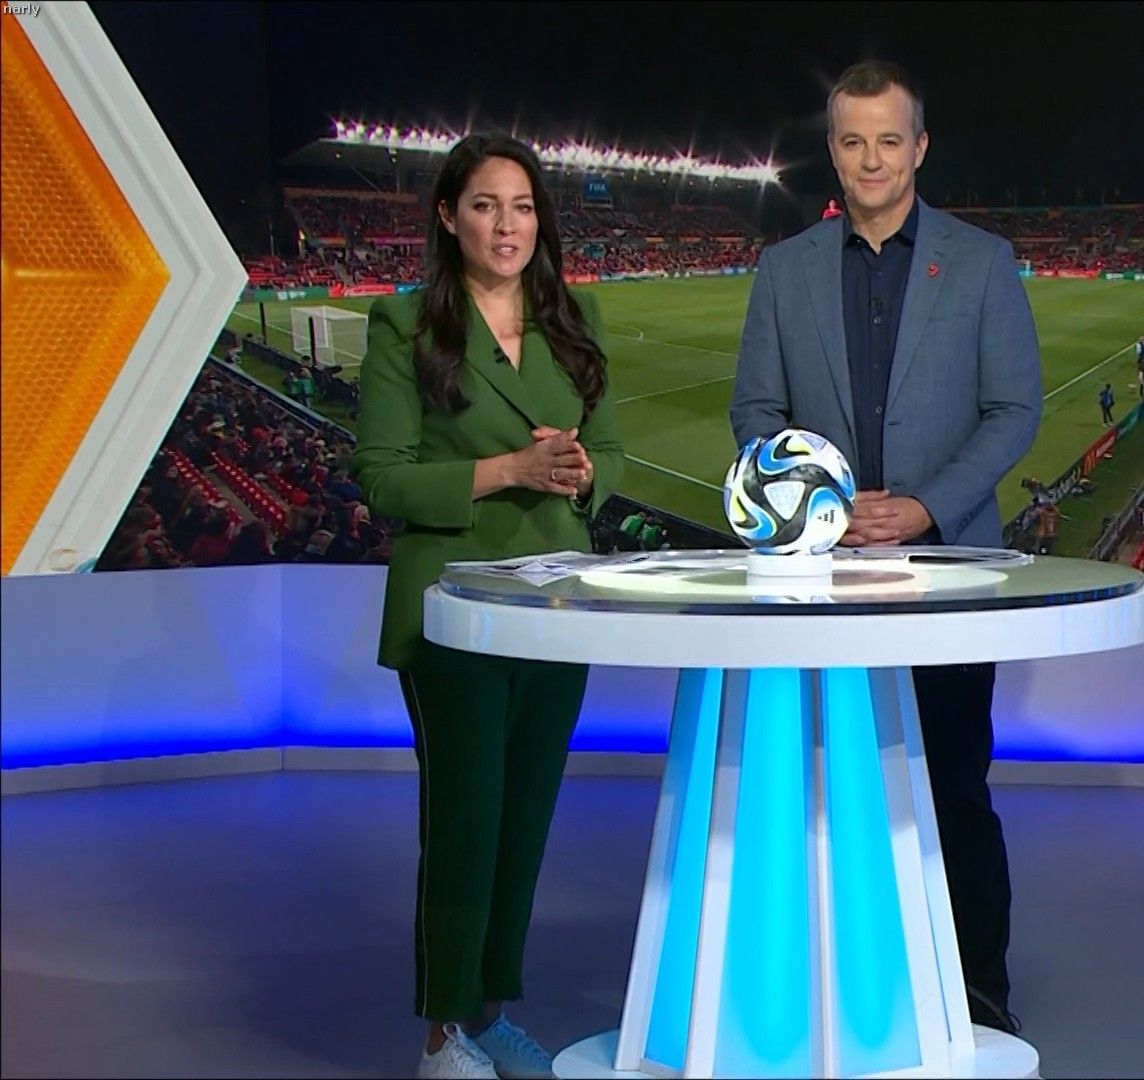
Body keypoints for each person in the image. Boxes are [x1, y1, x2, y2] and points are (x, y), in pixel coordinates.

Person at [729, 59, 1040, 1038]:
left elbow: (1013, 411)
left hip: (947, 572)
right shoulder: (784, 269)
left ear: (920, 147)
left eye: (890, 140)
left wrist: (920, 509)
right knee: (828, 786)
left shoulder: (981, 261)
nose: (873, 159)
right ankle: (838, 988)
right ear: (833, 151)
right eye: (854, 141)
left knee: (954, 786)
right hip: (819, 578)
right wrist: (823, 509)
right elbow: (755, 411)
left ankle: (978, 991)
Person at [352, 133, 626, 1080]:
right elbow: (381, 478)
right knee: (465, 823)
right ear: (447, 216)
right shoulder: (404, 325)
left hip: (558, 610)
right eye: (484, 205)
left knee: (524, 822)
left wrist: (584, 474)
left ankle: (489, 1012)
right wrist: (509, 468)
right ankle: (442, 1035)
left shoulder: (574, 318)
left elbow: (609, 452)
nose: (507, 226)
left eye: (521, 206)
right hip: (453, 611)